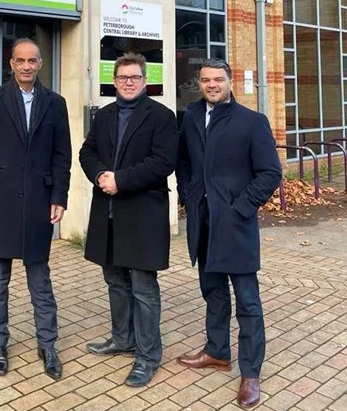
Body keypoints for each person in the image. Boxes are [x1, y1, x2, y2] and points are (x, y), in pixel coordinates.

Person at [176, 58, 281, 409]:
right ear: (200, 83)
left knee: (248, 303)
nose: (212, 85)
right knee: (213, 292)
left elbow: (269, 173)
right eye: (205, 80)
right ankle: (217, 351)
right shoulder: (191, 116)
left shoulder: (252, 122)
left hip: (235, 225)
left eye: (218, 79)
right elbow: (185, 163)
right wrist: (189, 196)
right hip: (203, 223)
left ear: (230, 81)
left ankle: (250, 372)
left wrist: (240, 208)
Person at [0, 38, 72, 380]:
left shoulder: (55, 104)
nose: (27, 66)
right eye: (20, 60)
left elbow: (62, 156)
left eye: (32, 60)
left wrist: (59, 196)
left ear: (41, 63)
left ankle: (48, 345)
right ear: (11, 63)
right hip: (0, 201)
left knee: (40, 280)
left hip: (38, 203)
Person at [79, 52, 178, 387]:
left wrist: (120, 180)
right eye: (123, 78)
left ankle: (148, 356)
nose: (129, 83)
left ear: (145, 81)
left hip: (141, 215)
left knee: (143, 288)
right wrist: (100, 176)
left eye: (135, 77)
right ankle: (123, 339)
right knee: (115, 282)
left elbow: (163, 162)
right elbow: (86, 152)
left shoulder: (162, 116)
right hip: (107, 215)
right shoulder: (105, 115)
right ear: (115, 81)